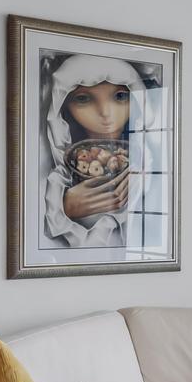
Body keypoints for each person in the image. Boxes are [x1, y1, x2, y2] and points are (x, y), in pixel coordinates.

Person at [41, 53, 149, 249]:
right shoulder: (57, 167)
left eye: (120, 96)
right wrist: (65, 208)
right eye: (83, 99)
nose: (106, 113)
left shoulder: (149, 161)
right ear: (64, 106)